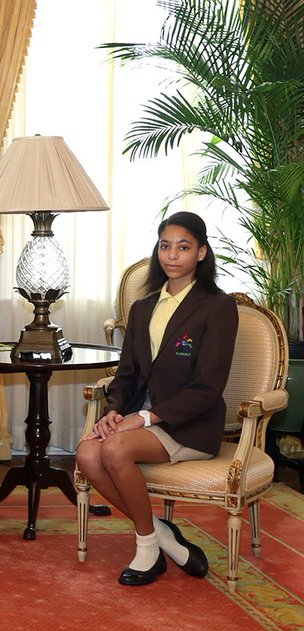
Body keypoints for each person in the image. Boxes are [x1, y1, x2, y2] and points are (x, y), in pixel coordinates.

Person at [76, 211, 237, 586]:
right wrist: (115, 411)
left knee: (113, 451)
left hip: (189, 425)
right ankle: (162, 536)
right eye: (165, 246)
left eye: (183, 247)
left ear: (201, 253)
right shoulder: (143, 307)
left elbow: (208, 387)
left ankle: (147, 550)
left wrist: (144, 419)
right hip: (140, 419)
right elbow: (128, 373)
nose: (172, 255)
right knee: (86, 454)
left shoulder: (217, 307)